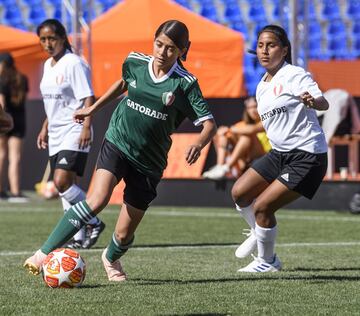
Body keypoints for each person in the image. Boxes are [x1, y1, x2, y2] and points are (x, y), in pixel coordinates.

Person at [23, 20, 217, 281]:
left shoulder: (186, 84)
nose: (162, 52)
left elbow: (209, 124)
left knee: (124, 234)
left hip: (149, 161)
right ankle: (43, 253)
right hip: (117, 141)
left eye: (171, 48)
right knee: (97, 199)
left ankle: (110, 258)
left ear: (183, 50)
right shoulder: (135, 61)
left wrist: (199, 142)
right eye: (159, 44)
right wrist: (92, 109)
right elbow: (122, 83)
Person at [232, 25, 328, 272]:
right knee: (239, 192)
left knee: (263, 206)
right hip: (279, 154)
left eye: (271, 45)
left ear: (284, 50)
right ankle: (258, 229)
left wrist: (312, 100)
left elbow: (323, 102)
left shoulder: (295, 74)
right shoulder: (262, 85)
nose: (264, 50)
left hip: (307, 155)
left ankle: (268, 261)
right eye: (261, 45)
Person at [33, 19, 105, 249]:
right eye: (43, 39)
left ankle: (94, 221)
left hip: (74, 128)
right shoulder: (47, 65)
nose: (47, 43)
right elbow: (56, 103)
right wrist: (45, 127)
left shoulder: (74, 63)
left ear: (63, 38)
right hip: (55, 132)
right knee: (67, 186)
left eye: (52, 38)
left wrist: (86, 126)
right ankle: (78, 238)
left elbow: (88, 97)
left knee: (61, 182)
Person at [202, 96, 271, 180]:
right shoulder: (242, 124)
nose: (253, 111)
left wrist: (229, 129)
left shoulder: (266, 121)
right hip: (245, 159)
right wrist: (223, 133)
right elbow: (225, 133)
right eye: (249, 108)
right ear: (246, 110)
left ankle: (226, 167)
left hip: (263, 156)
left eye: (255, 107)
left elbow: (252, 129)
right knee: (223, 134)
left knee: (245, 136)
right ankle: (220, 167)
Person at [0, 52, 29, 202]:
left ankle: (0, 191)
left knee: (1, 155)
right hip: (19, 121)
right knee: (15, 158)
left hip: (4, 121)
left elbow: (2, 103)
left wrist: (3, 118)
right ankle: (16, 192)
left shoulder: (2, 80)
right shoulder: (22, 79)